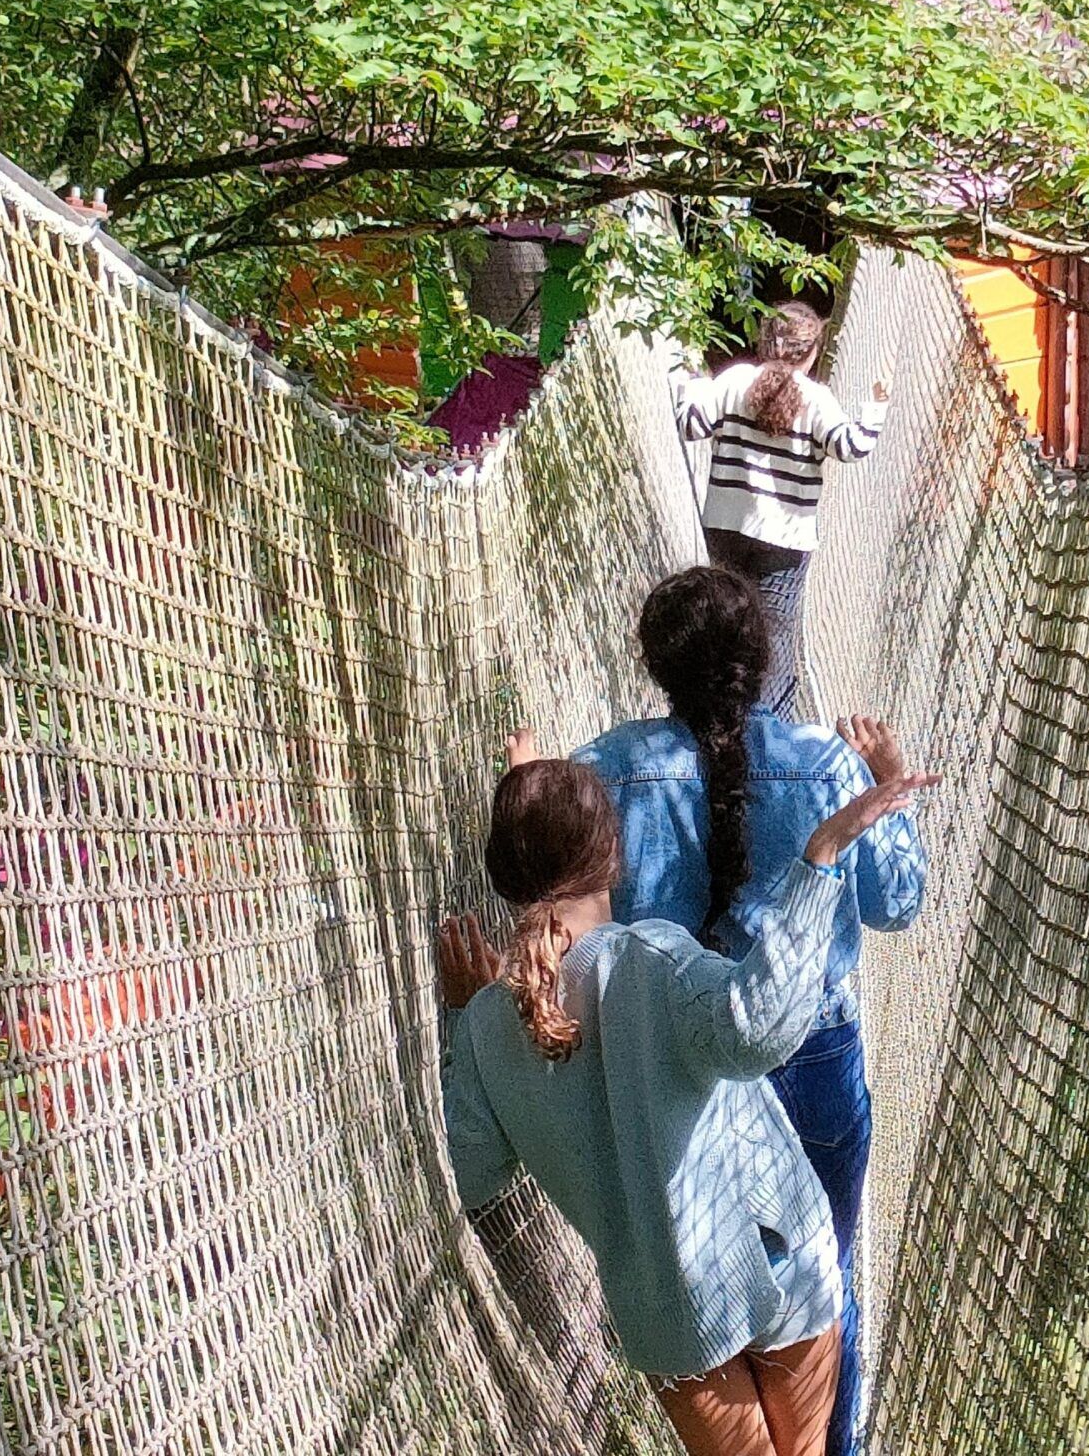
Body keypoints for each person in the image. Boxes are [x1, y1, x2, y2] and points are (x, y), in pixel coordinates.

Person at [438, 736, 937, 1456]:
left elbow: (477, 1169)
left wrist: (464, 1022)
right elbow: (757, 1029)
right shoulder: (653, 958)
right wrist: (820, 859)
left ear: (508, 879)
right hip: (775, 1255)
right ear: (614, 852)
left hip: (669, 1315)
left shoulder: (488, 1028)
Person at [573, 568, 926, 1456]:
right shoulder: (829, 764)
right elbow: (898, 902)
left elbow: (571, 910)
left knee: (709, 1295)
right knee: (821, 1286)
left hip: (672, 1072)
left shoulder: (599, 774)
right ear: (763, 661)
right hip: (813, 1064)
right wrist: (892, 787)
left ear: (655, 663)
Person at [673, 301, 887, 715]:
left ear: (764, 340)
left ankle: (720, 714)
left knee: (729, 624)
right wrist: (874, 408)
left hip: (726, 527)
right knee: (776, 636)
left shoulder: (735, 381)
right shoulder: (817, 399)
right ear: (812, 352)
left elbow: (691, 425)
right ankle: (770, 727)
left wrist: (692, 385)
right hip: (786, 539)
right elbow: (850, 446)